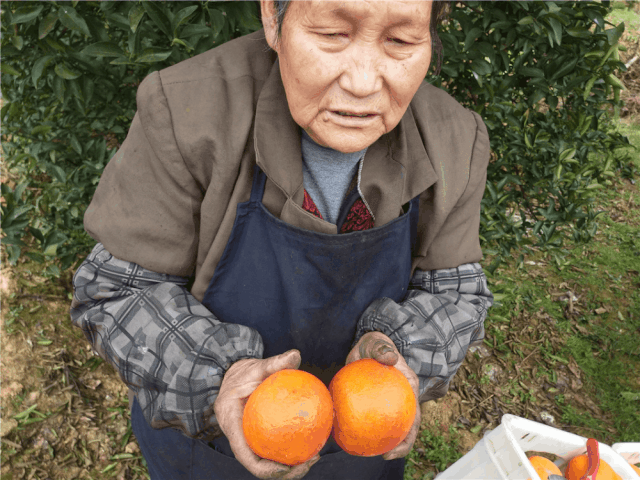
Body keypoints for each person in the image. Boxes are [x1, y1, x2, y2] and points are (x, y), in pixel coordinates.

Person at [70, 1, 493, 479]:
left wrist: (401, 349)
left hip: (360, 449)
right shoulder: (186, 114)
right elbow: (119, 291)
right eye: (333, 34)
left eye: (400, 41)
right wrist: (219, 380)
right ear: (273, 17)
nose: (362, 82)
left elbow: (456, 293)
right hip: (207, 454)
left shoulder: (454, 141)